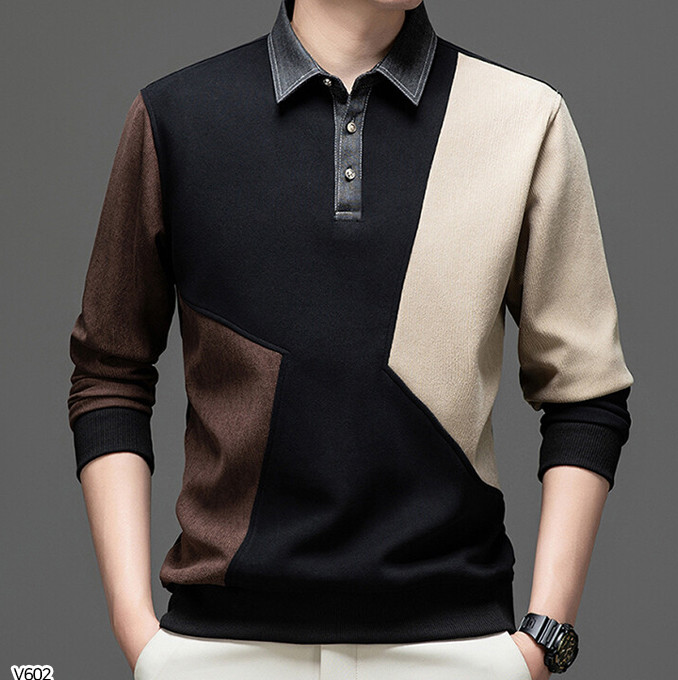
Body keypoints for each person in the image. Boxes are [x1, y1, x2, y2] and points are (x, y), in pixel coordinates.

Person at [66, 1, 634, 678]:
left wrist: (543, 640)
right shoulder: (177, 117)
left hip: (458, 651)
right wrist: (137, 629)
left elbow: (586, 392)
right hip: (219, 651)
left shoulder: (522, 118)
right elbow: (109, 373)